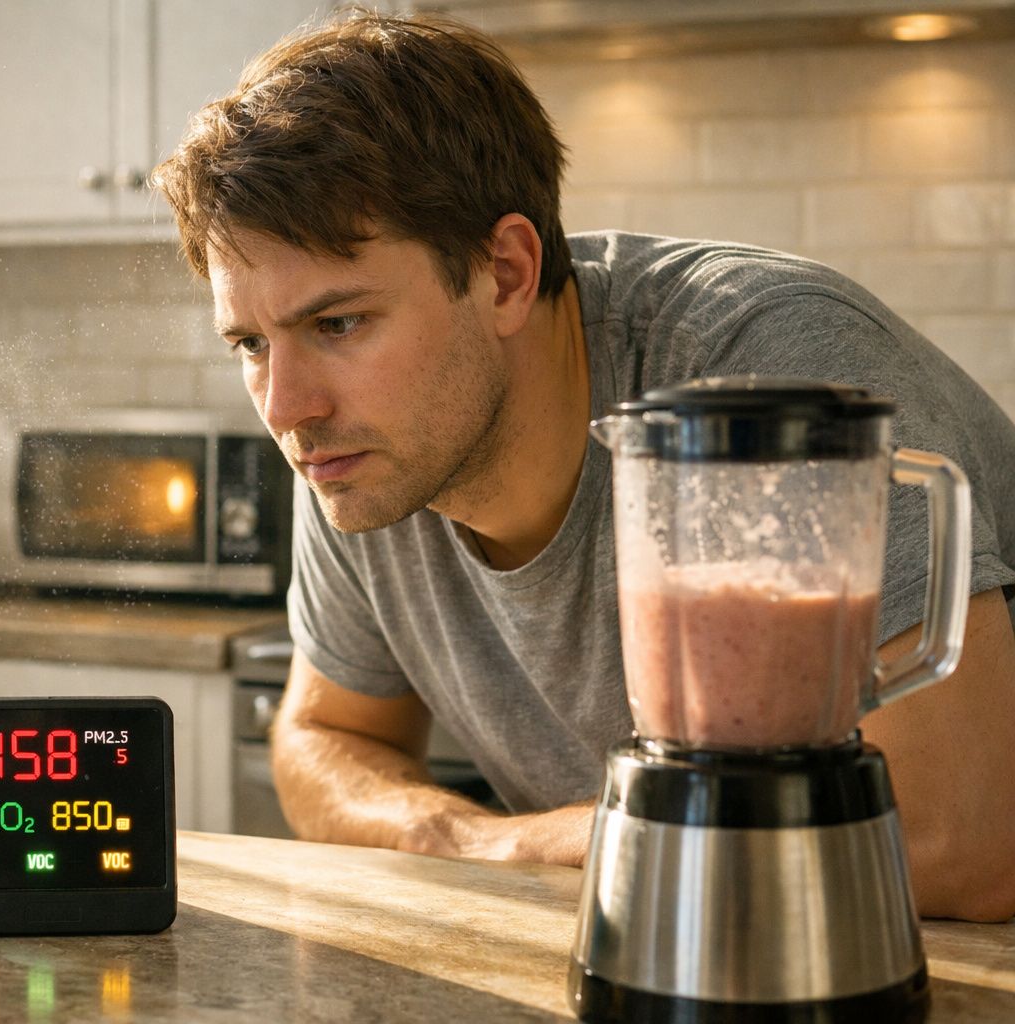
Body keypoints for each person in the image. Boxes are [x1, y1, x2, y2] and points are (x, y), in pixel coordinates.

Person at [151, 12, 1015, 921]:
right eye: (250, 341)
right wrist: (463, 837)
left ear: (508, 274)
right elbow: (323, 736)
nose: (287, 408)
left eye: (339, 324)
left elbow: (957, 844)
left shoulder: (762, 372)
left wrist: (527, 841)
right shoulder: (361, 453)